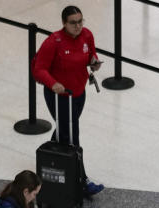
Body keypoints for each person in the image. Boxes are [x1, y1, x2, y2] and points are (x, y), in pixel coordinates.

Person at [33, 5, 104, 197]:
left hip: (79, 94)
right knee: (72, 138)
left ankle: (50, 161)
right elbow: (38, 69)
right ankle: (82, 180)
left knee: (65, 131)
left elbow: (90, 54)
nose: (78, 26)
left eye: (81, 21)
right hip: (60, 97)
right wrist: (53, 82)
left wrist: (94, 62)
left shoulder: (87, 35)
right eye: (73, 23)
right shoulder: (53, 42)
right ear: (64, 23)